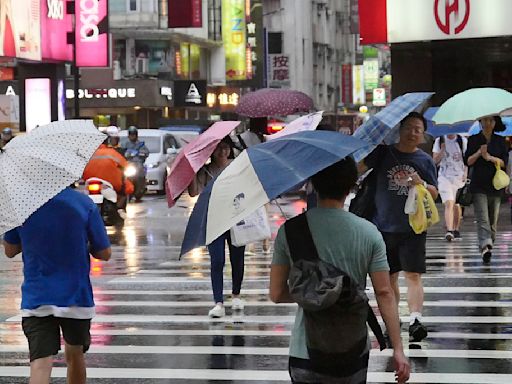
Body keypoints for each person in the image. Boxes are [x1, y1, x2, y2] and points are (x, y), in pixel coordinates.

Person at [270, 158, 410, 384]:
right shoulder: (369, 232)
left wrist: (315, 293)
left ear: (314, 184)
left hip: (305, 351)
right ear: (350, 187)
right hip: (351, 348)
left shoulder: (291, 231)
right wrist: (398, 350)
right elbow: (384, 293)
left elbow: (276, 294)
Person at [2, 187, 111, 384]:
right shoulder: (83, 203)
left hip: (36, 297)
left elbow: (10, 250)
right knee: (75, 355)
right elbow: (104, 253)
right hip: (76, 296)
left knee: (40, 363)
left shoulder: (21, 205)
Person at [361, 112, 438, 342]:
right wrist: (372, 149)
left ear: (422, 135)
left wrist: (421, 183)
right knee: (389, 278)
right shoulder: (384, 153)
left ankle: (415, 320)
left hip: (413, 227)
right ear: (400, 129)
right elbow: (358, 168)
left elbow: (435, 193)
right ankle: (392, 319)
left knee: (413, 275)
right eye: (409, 128)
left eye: (418, 129)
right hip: (383, 226)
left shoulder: (424, 160)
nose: (413, 133)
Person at [188, 139, 245, 318]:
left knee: (237, 259)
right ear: (212, 152)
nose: (222, 152)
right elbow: (193, 192)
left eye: (226, 148)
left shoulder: (238, 167)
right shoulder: (205, 170)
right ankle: (218, 302)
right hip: (213, 220)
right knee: (217, 260)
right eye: (218, 148)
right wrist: (191, 172)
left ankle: (236, 294)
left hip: (235, 219)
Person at [464, 116, 508, 264]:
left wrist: (489, 157)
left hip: (495, 185)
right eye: (484, 120)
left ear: (495, 123)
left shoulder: (501, 141)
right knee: (483, 218)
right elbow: (468, 161)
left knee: (492, 222)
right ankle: (485, 246)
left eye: (491, 120)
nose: (488, 123)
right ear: (480, 122)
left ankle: (488, 245)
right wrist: (478, 153)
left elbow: (503, 163)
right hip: (478, 185)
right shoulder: (474, 139)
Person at [83, 134, 134, 213]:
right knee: (124, 189)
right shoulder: (112, 153)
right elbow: (124, 165)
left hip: (90, 182)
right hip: (110, 184)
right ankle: (120, 210)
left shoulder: (87, 153)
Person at [432, 134, 467, 241]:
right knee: (449, 203)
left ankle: (456, 229)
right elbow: (434, 161)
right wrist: (442, 149)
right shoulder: (439, 140)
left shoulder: (462, 140)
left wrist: (466, 173)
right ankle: (449, 230)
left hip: (459, 177)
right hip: (444, 176)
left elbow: (467, 159)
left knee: (456, 205)